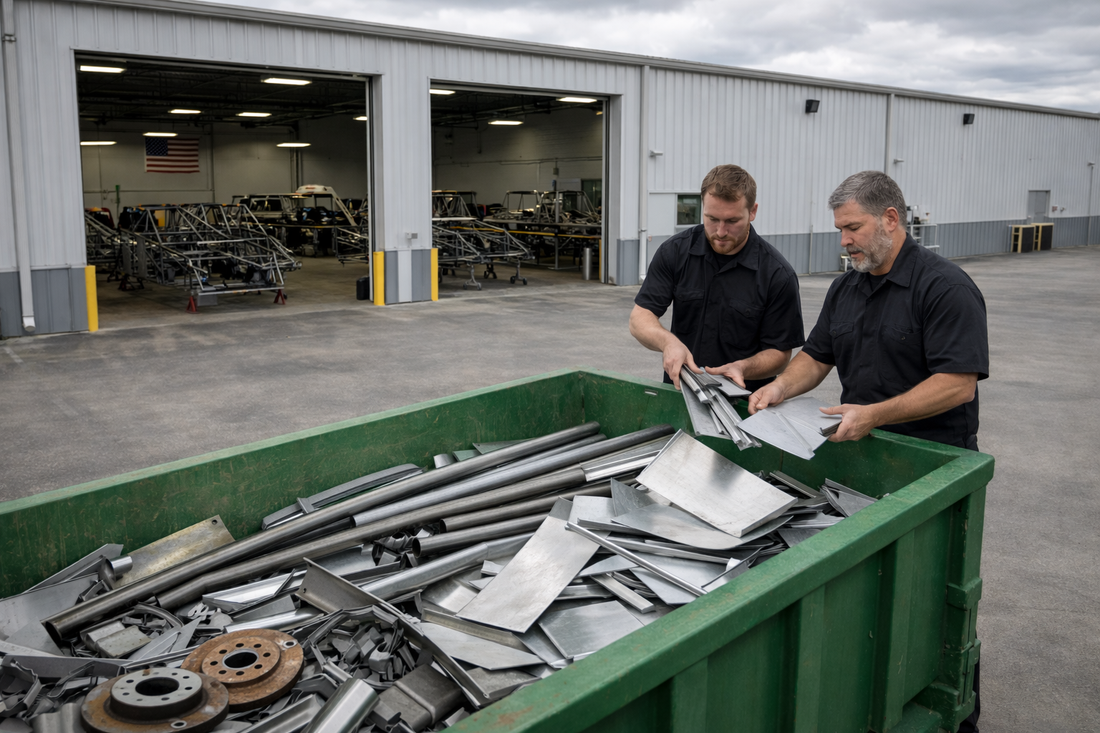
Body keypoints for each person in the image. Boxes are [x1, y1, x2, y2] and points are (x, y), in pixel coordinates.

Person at [749, 169, 987, 732]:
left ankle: (959, 714)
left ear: (890, 219)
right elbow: (816, 355)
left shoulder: (944, 287)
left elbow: (958, 382)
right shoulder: (846, 287)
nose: (845, 241)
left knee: (935, 596)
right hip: (861, 457)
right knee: (871, 590)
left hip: (933, 467)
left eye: (852, 228)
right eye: (839, 230)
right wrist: (781, 387)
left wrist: (876, 414)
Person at [629, 164, 804, 390]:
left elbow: (780, 353)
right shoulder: (674, 252)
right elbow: (639, 318)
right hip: (682, 393)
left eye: (732, 221)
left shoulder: (777, 275)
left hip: (745, 404)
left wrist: (743, 367)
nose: (720, 231)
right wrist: (668, 342)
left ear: (753, 211)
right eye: (711, 218)